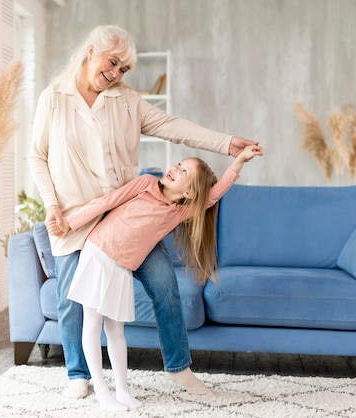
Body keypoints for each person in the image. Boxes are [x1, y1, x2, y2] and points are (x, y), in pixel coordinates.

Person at [27, 24, 259, 399]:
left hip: (126, 219)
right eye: (112, 63)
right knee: (71, 299)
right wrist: (53, 207)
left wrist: (227, 144)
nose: (116, 74)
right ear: (91, 52)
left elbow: (173, 127)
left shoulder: (127, 101)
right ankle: (77, 373)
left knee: (166, 287)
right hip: (75, 215)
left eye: (124, 69)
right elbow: (36, 156)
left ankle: (179, 367)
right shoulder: (53, 98)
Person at [61, 145, 263, 411]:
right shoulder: (145, 184)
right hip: (98, 254)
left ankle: (122, 389)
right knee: (92, 324)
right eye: (178, 164)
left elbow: (212, 197)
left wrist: (237, 164)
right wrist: (70, 223)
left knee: (116, 330)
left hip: (122, 266)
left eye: (183, 171)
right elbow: (107, 202)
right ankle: (101, 389)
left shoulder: (179, 212)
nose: (174, 169)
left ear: (189, 192)